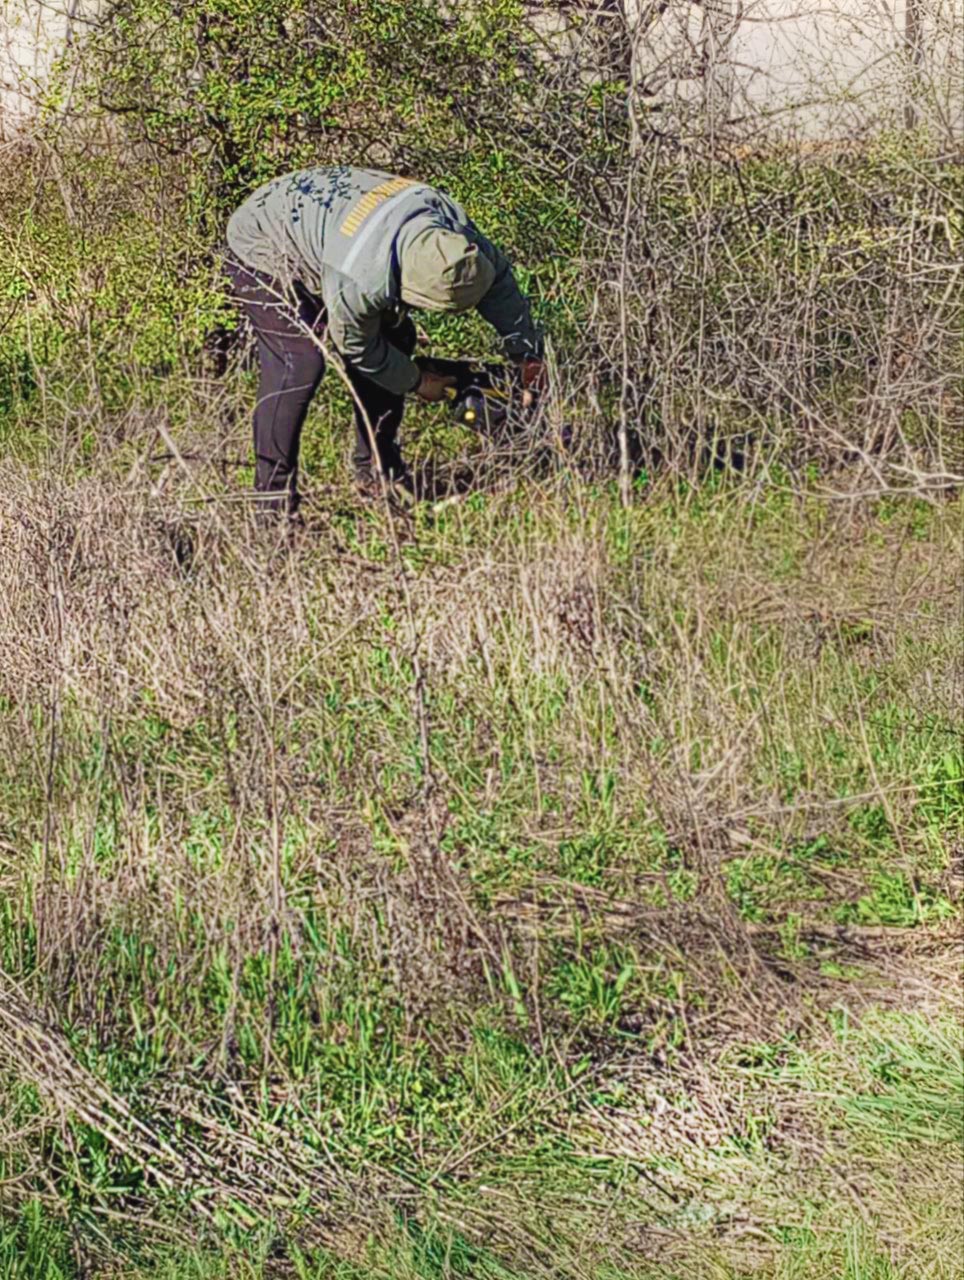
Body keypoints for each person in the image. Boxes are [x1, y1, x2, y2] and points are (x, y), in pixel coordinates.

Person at [224, 165, 546, 513]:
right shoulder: (359, 278)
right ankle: (272, 511)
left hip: (337, 229)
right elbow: (356, 346)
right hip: (265, 239)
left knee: (395, 340)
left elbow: (499, 283)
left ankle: (378, 474)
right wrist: (417, 381)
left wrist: (527, 355)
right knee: (298, 366)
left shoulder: (455, 232)